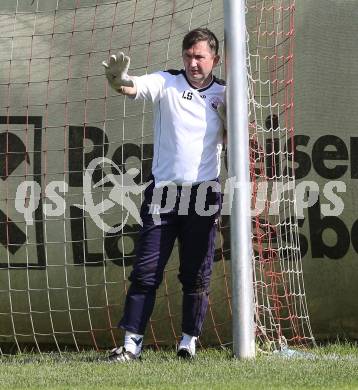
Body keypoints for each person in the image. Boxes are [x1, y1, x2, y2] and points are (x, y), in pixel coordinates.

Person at [102, 27, 226, 362]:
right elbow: (130, 88)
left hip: (204, 195)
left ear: (214, 58)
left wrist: (230, 123)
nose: (193, 63)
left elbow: (234, 143)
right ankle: (131, 344)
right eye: (188, 56)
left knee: (196, 273)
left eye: (199, 56)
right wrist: (117, 78)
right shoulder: (167, 82)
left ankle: (189, 341)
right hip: (164, 194)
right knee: (146, 270)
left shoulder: (225, 95)